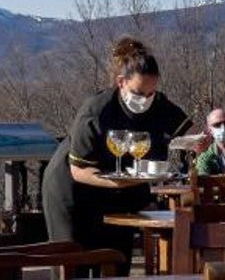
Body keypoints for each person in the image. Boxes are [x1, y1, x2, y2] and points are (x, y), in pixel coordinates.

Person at [41, 37, 195, 272]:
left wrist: (200, 142)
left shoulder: (159, 105)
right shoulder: (96, 111)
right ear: (121, 82)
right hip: (74, 191)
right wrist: (117, 182)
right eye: (139, 92)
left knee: (117, 258)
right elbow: (78, 170)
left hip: (120, 192)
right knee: (74, 263)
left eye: (151, 93)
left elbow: (190, 133)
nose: (145, 100)